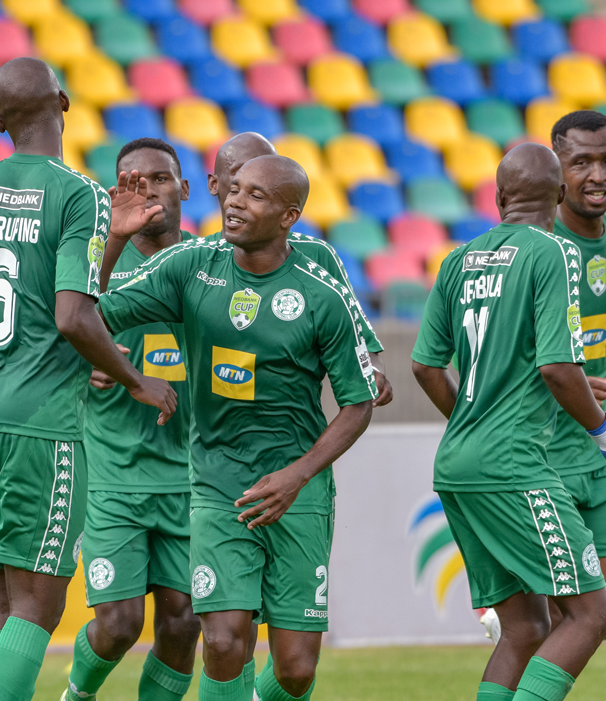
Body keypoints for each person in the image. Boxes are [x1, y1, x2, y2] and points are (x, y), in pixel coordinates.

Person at [0, 58, 176, 701]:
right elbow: (72, 316)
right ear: (63, 101)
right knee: (39, 608)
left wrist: (29, 303)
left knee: (3, 604)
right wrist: (135, 378)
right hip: (39, 422)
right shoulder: (75, 192)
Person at [99, 155, 378, 701]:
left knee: (296, 671)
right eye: (234, 191)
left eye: (255, 195)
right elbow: (94, 310)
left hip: (298, 491)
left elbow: (358, 404)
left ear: (288, 215)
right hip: (217, 484)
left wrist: (297, 475)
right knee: (225, 643)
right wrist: (113, 239)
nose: (234, 202)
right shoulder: (192, 266)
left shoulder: (322, 293)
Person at [411, 143, 606, 701]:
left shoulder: (458, 259)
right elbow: (560, 368)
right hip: (514, 464)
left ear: (498, 197)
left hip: (457, 465)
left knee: (524, 627)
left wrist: (472, 419)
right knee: (592, 613)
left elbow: (423, 364)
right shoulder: (554, 253)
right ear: (560, 196)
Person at [479, 111, 606, 645]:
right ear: (555, 173)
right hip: (538, 448)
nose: (597, 175)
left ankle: (530, 625)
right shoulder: (534, 251)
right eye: (580, 162)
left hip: (596, 445)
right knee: (573, 615)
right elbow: (493, 353)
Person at [62, 138, 201, 701]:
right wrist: (98, 363)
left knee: (184, 625)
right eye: (132, 181)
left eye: (161, 179)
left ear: (186, 189)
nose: (148, 191)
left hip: (191, 476)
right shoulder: (98, 264)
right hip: (113, 473)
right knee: (119, 626)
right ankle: (77, 694)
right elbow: (65, 330)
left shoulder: (210, 265)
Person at [205, 132, 392, 407]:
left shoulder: (318, 256)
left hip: (294, 435)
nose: (254, 178)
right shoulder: (194, 259)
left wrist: (373, 371)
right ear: (214, 184)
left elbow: (359, 341)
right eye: (238, 178)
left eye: (264, 170)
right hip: (207, 438)